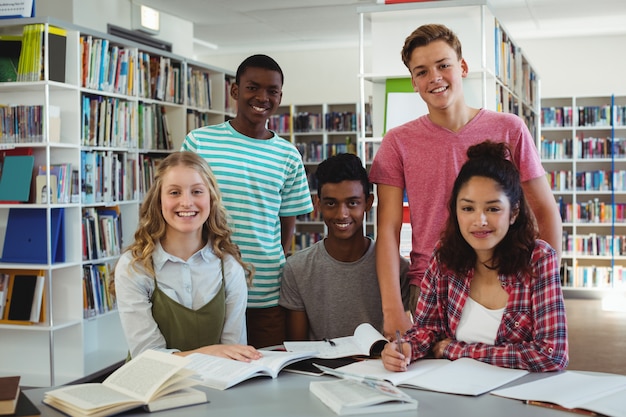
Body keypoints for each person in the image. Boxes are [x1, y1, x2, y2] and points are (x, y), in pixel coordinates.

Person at [369, 23, 563, 338]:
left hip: (505, 284)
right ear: (414, 82)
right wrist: (392, 309)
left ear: (462, 67)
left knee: (508, 377)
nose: (434, 77)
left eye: (443, 65)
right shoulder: (397, 142)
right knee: (428, 382)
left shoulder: (509, 128)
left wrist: (545, 284)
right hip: (432, 288)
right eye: (421, 71)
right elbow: (388, 231)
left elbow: (545, 211)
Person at [381, 141, 568, 373]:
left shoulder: (539, 259)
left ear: (514, 213)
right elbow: (428, 330)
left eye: (493, 209)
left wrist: (457, 350)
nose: (479, 221)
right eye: (468, 209)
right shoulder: (444, 257)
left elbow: (551, 354)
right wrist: (407, 347)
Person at [182, 54, 314, 348]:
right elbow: (183, 211)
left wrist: (268, 262)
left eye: (272, 91)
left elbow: (286, 221)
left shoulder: (288, 155)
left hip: (266, 291)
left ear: (280, 96)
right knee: (208, 371)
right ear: (235, 91)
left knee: (264, 374)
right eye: (253, 87)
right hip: (208, 286)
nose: (262, 97)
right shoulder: (199, 142)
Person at [115, 151, 261, 362]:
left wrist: (220, 354)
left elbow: (233, 353)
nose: (186, 202)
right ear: (159, 200)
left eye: (197, 191)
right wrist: (209, 352)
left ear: (211, 198)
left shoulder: (228, 267)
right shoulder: (134, 266)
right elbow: (146, 357)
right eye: (174, 192)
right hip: (151, 388)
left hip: (217, 384)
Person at [279, 153, 410, 341]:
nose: (342, 214)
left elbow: (402, 340)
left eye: (352, 203)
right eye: (331, 203)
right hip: (319, 369)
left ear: (368, 203)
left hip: (380, 367)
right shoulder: (297, 269)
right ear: (318, 204)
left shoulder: (398, 269)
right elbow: (298, 348)